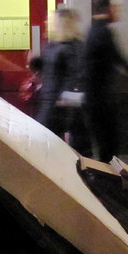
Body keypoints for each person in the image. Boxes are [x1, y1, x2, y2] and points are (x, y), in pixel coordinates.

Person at [82, 0, 128, 161]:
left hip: (95, 98)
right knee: (108, 145)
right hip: (100, 98)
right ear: (108, 8)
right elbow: (119, 57)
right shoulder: (102, 32)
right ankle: (108, 174)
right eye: (116, 7)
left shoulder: (93, 30)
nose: (118, 11)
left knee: (105, 144)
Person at [35, 8, 89, 153]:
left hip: (60, 102)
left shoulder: (73, 46)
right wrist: (36, 63)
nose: (46, 22)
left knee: (44, 139)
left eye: (50, 20)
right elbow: (49, 66)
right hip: (49, 99)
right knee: (45, 140)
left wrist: (64, 97)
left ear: (61, 23)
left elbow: (75, 74)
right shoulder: (53, 44)